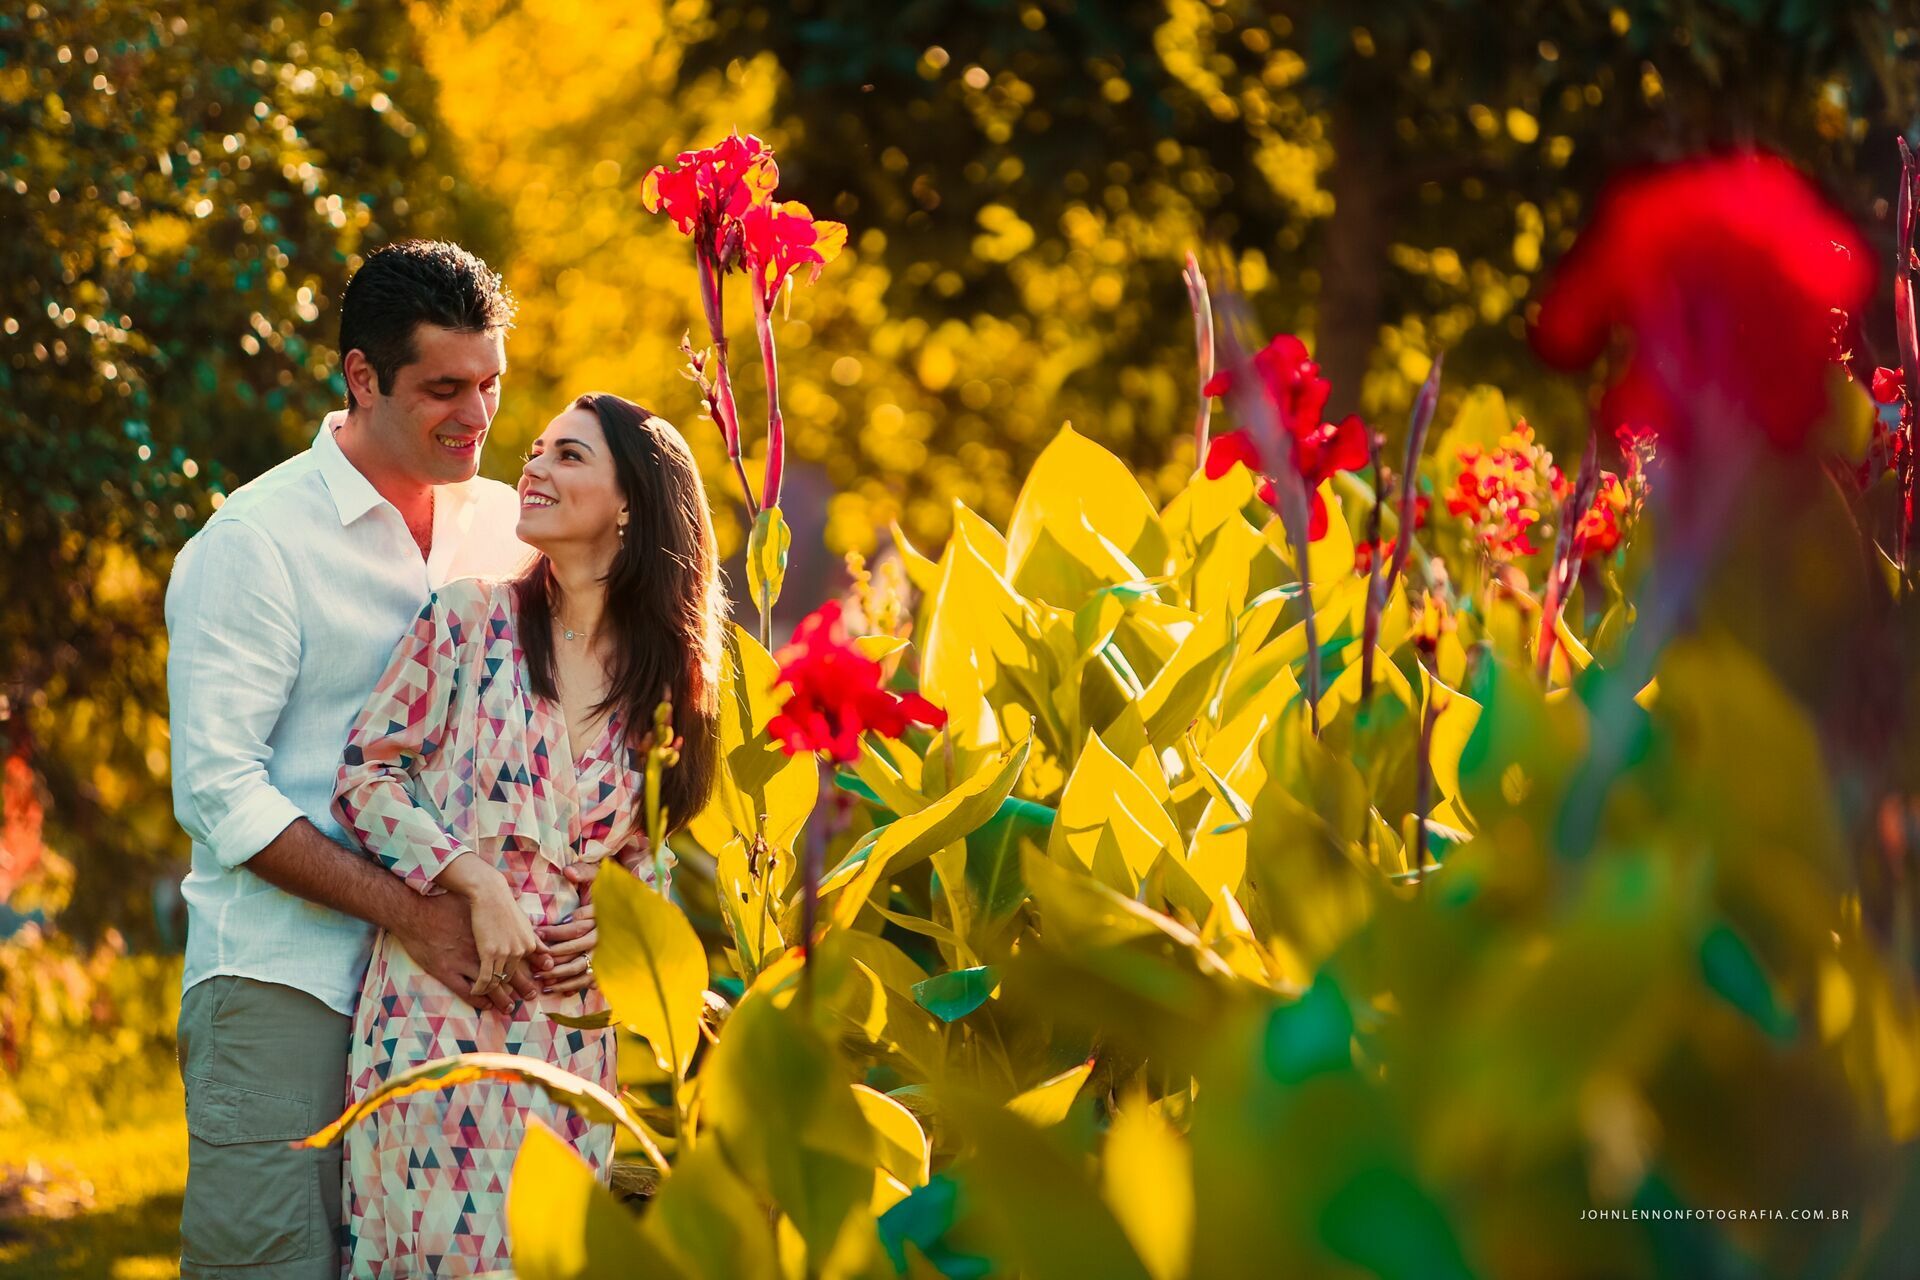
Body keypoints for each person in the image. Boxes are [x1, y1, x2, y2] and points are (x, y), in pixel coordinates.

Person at [166, 241, 605, 1278]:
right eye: (443, 388)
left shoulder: (512, 527)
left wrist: (604, 895)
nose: (479, 416)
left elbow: (580, 727)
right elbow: (220, 793)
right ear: (362, 378)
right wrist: (413, 909)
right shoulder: (256, 541)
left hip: (461, 1010)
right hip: (290, 985)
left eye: (491, 384)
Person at [332, 392, 725, 1277]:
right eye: (536, 450)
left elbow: (650, 844)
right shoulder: (469, 621)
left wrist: (624, 921)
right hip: (442, 1009)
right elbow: (365, 775)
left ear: (631, 501)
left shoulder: (673, 676)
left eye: (569, 456)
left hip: (573, 1036)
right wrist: (476, 880)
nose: (533, 468)